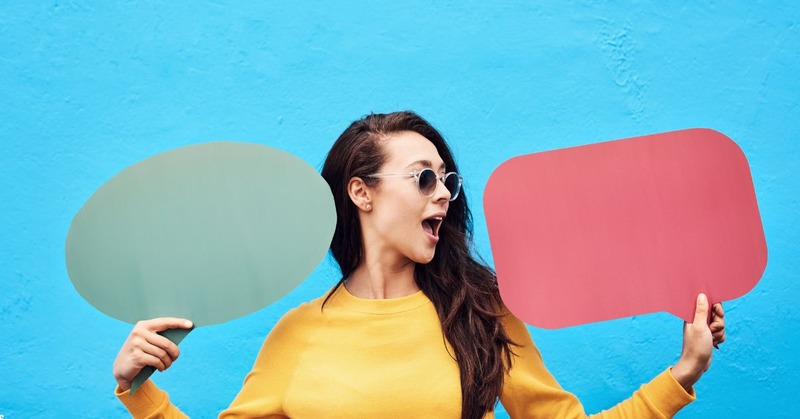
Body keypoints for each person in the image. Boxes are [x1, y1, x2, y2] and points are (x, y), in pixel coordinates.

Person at [113, 111, 726, 418]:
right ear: (361, 193)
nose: (443, 193)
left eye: (447, 179)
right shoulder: (299, 334)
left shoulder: (482, 313)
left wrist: (683, 375)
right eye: (423, 177)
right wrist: (139, 390)